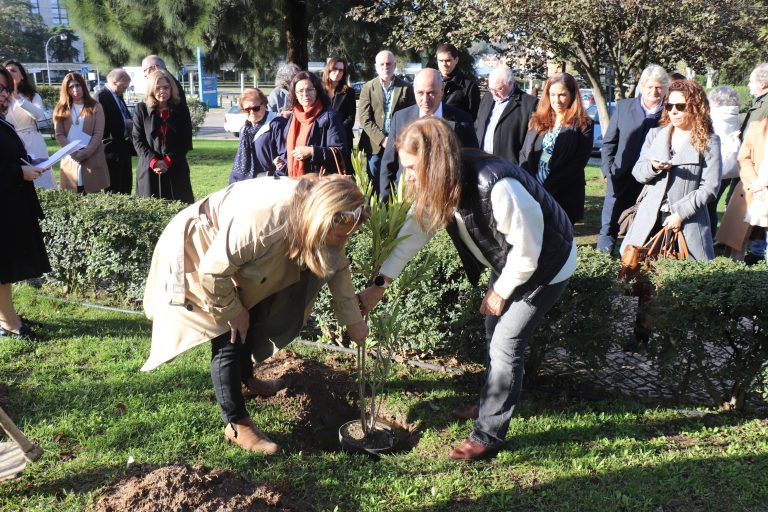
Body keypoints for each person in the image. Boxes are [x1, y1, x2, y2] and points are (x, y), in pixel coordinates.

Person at [358, 117, 576, 461]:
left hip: (546, 266)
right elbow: (412, 236)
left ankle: (488, 434)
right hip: (510, 263)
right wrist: (379, 286)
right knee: (493, 330)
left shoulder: (498, 186)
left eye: (412, 167)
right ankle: (491, 400)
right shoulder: (440, 184)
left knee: (506, 343)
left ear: (435, 162)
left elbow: (528, 252)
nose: (407, 176)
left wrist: (501, 291)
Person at [141, 175, 370, 455]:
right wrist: (232, 311)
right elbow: (213, 272)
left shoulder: (316, 216)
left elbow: (337, 265)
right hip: (202, 249)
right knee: (227, 334)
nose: (344, 241)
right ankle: (236, 423)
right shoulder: (264, 223)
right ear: (322, 220)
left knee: (253, 310)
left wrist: (353, 322)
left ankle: (247, 381)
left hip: (232, 256)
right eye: (341, 235)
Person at [620, 80, 721, 261]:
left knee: (689, 274)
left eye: (680, 106)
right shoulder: (655, 134)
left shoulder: (709, 141)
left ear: (696, 107)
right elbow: (638, 172)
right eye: (669, 106)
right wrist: (653, 167)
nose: (673, 111)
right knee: (637, 270)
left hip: (688, 222)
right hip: (649, 220)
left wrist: (680, 214)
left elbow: (710, 187)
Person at [0, 66, 51, 340]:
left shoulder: (2, 120)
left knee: (5, 269)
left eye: (6, 89)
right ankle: (9, 325)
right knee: (2, 270)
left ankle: (8, 316)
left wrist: (29, 163)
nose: (3, 94)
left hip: (10, 203)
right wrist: (19, 172)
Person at [598, 64, 669, 255]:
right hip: (620, 176)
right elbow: (609, 143)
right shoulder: (624, 107)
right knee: (609, 225)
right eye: (650, 87)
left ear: (665, 89)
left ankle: (635, 265)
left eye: (659, 87)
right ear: (642, 86)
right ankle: (602, 263)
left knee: (645, 228)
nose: (654, 91)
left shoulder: (670, 112)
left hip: (651, 181)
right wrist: (608, 170)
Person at [379, 68, 478, 203]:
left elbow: (472, 163)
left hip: (446, 200)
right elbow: (388, 163)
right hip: (407, 199)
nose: (425, 99)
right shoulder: (400, 118)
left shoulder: (462, 120)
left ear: (442, 90)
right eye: (420, 93)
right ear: (414, 90)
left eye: (431, 93)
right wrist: (386, 202)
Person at [519, 72, 593, 224]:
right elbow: (525, 153)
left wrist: (546, 189)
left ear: (572, 95)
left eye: (562, 95)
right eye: (552, 95)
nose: (556, 100)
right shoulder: (536, 119)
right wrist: (530, 184)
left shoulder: (583, 124)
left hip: (563, 196)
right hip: (532, 193)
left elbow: (577, 164)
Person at [133, 69, 194, 203]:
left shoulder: (181, 109)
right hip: (149, 169)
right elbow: (137, 140)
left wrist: (167, 161)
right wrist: (154, 161)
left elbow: (185, 141)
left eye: (166, 87)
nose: (162, 91)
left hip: (176, 168)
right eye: (158, 88)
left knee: (179, 208)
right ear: (151, 89)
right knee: (149, 208)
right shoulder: (141, 109)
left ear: (171, 88)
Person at [358, 50, 415, 192]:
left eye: (389, 64)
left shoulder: (406, 88)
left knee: (398, 183)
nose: (385, 67)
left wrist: (398, 140)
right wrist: (382, 139)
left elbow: (411, 117)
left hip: (399, 144)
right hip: (375, 146)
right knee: (375, 185)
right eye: (382, 64)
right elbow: (364, 118)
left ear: (394, 65)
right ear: (376, 67)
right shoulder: (368, 88)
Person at [275, 71, 347, 177]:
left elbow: (340, 151)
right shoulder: (294, 117)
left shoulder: (330, 116)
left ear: (317, 91)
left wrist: (312, 151)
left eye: (309, 89)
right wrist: (282, 160)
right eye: (300, 91)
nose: (305, 94)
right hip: (295, 179)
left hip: (320, 181)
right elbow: (291, 150)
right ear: (295, 94)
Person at [53, 72, 110, 194]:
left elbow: (98, 133)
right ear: (66, 90)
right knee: (72, 197)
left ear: (83, 86)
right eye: (71, 87)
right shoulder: (61, 108)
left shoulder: (96, 106)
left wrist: (85, 152)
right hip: (70, 158)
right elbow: (59, 134)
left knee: (92, 197)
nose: (75, 89)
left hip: (92, 157)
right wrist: (74, 153)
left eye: (77, 85)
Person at [3, 59, 55, 189]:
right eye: (7, 71)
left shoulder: (32, 95)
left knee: (41, 179)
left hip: (33, 141)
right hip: (11, 142)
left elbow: (38, 115)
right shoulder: (2, 96)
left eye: (13, 71)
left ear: (22, 76)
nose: (10, 73)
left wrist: (17, 98)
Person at [475, 64, 537, 166]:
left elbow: (529, 142)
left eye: (499, 89)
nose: (494, 93)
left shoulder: (529, 104)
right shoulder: (487, 97)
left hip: (509, 166)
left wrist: (521, 166)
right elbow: (478, 126)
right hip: (482, 162)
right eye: (491, 89)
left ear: (510, 83)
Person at [228, 87, 285, 183]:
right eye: (247, 109)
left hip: (271, 182)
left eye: (256, 108)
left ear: (264, 104)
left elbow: (285, 155)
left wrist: (277, 172)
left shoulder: (277, 124)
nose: (252, 112)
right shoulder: (244, 129)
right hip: (248, 182)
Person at [705, 85, 742, 237]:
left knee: (708, 205)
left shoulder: (715, 116)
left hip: (714, 165)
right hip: (730, 166)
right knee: (713, 204)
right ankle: (713, 235)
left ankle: (708, 235)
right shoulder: (735, 115)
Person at [734, 117, 768, 266]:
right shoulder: (756, 127)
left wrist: (764, 183)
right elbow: (744, 158)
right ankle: (756, 253)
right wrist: (755, 183)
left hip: (762, 185)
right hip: (754, 189)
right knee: (751, 226)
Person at [98, 68, 134, 194]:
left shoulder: (117, 95)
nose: (125, 90)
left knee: (126, 184)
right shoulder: (101, 96)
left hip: (123, 145)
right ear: (114, 82)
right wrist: (124, 123)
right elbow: (101, 123)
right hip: (111, 148)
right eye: (123, 87)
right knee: (114, 186)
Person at [435, 42, 481, 121]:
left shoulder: (469, 87)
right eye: (441, 61)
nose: (444, 64)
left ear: (456, 60)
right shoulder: (431, 83)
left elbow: (474, 118)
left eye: (448, 60)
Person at [322, 57, 356, 152]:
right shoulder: (318, 91)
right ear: (328, 69)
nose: (337, 72)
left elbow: (350, 118)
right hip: (321, 137)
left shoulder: (349, 92)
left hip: (342, 138)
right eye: (335, 69)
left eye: (341, 70)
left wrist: (335, 131)